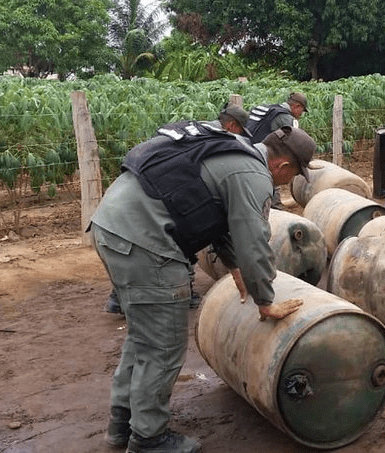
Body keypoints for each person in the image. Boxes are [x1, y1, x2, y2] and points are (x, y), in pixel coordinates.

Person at [89, 104, 313, 453]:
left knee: (144, 336)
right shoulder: (254, 176)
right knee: (163, 345)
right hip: (145, 241)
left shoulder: (231, 149)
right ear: (283, 166)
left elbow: (217, 218)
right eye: (296, 174)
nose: (290, 181)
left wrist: (235, 269)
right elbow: (253, 241)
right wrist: (266, 300)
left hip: (110, 225)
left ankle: (122, 424)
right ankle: (148, 438)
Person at [245, 92, 309, 208]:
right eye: (302, 111)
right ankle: (276, 209)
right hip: (262, 156)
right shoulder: (286, 118)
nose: (301, 114)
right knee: (273, 180)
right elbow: (294, 143)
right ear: (297, 106)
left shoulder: (270, 109)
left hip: (245, 149)